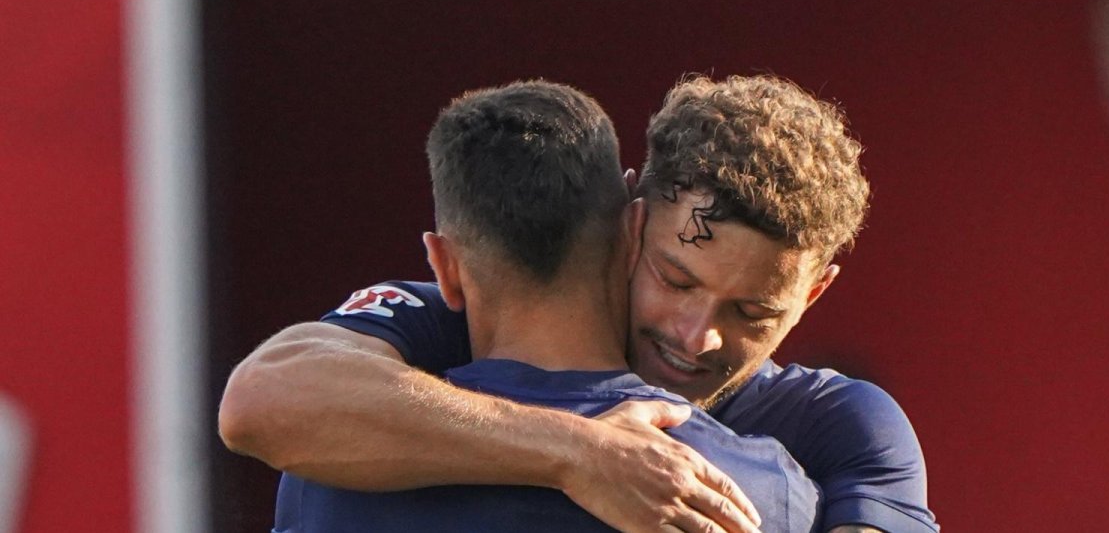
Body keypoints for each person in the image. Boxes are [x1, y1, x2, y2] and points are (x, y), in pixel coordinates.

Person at [220, 74, 938, 533]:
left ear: (814, 293)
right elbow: (259, 402)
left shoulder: (842, 429)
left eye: (751, 313)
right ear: (632, 220)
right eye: (675, 278)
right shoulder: (452, 321)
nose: (696, 337)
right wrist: (579, 453)